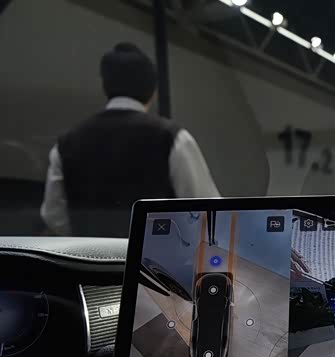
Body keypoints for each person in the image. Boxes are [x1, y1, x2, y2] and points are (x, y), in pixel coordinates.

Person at [40, 42, 219, 237]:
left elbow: (54, 216)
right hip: (153, 255)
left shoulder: (67, 143)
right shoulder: (171, 137)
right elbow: (207, 211)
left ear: (106, 86)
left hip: (90, 255)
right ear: (152, 90)